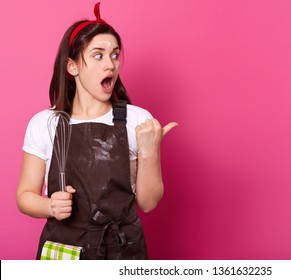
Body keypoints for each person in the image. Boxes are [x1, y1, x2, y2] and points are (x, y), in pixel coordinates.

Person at [16, 2, 177, 260]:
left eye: (115, 55)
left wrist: (149, 151)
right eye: (98, 55)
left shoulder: (139, 120)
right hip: (64, 252)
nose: (111, 65)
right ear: (72, 67)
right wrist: (49, 206)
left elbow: (148, 203)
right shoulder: (45, 123)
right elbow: (24, 196)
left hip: (122, 252)